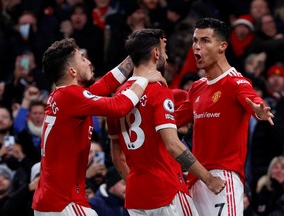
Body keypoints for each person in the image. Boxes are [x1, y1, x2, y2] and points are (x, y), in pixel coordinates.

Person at [32, 38, 166, 216]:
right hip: (64, 202)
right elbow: (118, 106)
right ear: (72, 71)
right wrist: (143, 79)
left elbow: (106, 84)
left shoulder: (63, 96)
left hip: (49, 201)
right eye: (82, 58)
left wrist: (137, 53)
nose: (88, 62)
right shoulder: (71, 96)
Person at [107, 28, 226, 216]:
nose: (167, 56)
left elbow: (117, 157)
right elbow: (172, 144)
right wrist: (209, 179)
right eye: (164, 50)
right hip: (167, 191)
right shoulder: (159, 90)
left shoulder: (118, 98)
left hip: (136, 196)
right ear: (155, 53)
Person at [174, 17, 274, 216]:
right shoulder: (197, 87)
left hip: (222, 178)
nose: (197, 47)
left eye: (205, 41)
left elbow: (253, 101)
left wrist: (260, 111)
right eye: (195, 41)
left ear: (222, 46)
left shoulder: (236, 82)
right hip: (196, 179)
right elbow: (171, 121)